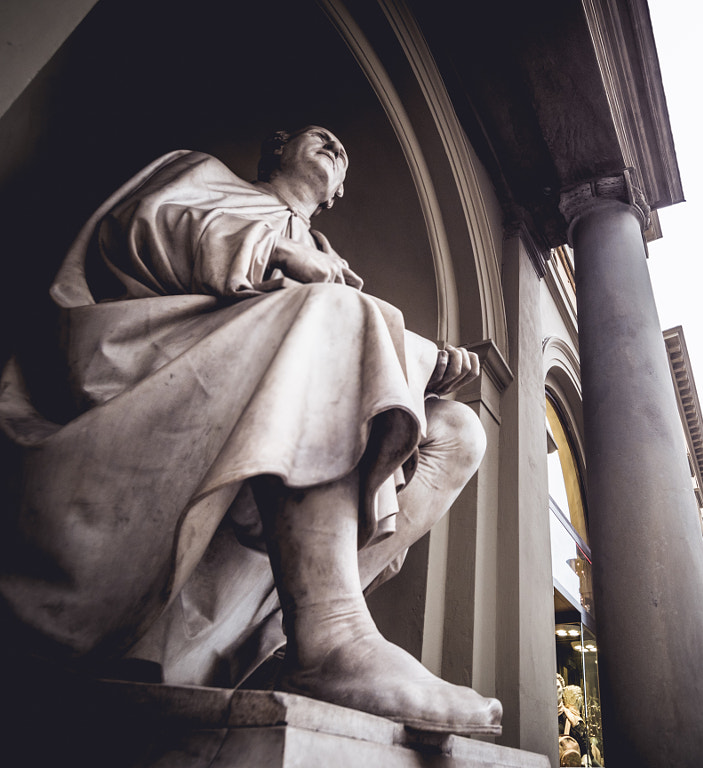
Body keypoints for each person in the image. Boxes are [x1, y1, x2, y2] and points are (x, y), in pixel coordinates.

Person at [0, 126, 501, 734]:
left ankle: (285, 643)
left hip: (252, 389)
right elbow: (130, 233)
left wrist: (424, 368)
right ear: (278, 148)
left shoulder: (337, 269)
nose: (339, 147)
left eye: (345, 152)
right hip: (149, 376)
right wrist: (270, 252)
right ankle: (331, 634)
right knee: (338, 313)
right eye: (323, 138)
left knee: (458, 432)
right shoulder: (207, 177)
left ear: (337, 195)